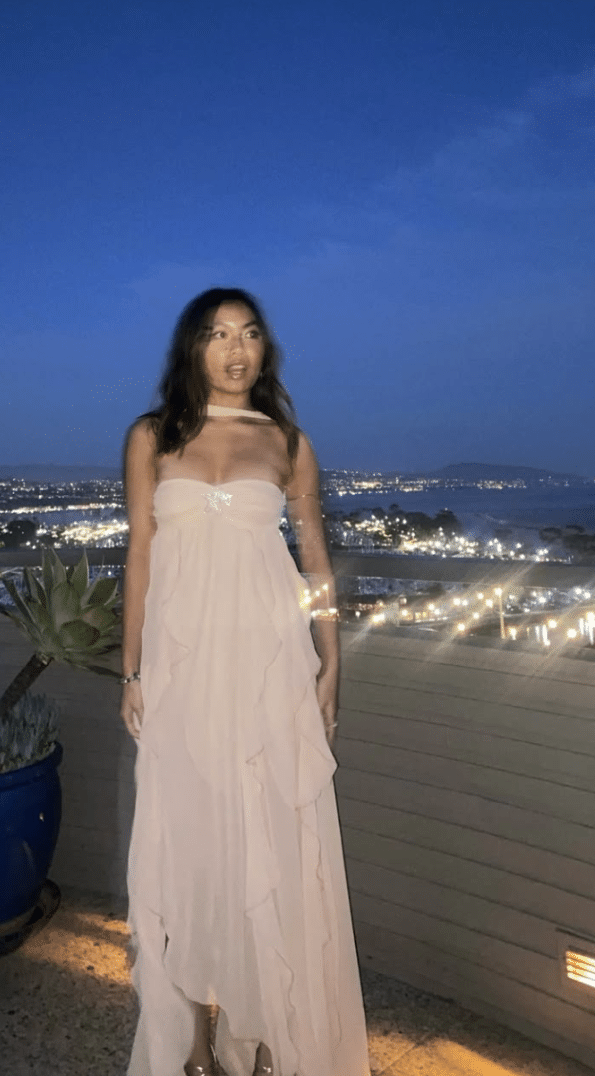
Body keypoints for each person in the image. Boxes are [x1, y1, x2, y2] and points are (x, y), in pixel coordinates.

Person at [120, 288, 370, 1076]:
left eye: (250, 333)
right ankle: (192, 1037)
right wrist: (132, 669)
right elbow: (139, 556)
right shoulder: (152, 436)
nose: (236, 348)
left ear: (266, 349)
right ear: (192, 348)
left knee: (266, 839)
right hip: (182, 669)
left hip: (270, 663)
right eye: (218, 333)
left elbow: (316, 563)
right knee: (186, 845)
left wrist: (331, 662)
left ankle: (259, 1033)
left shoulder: (289, 442)